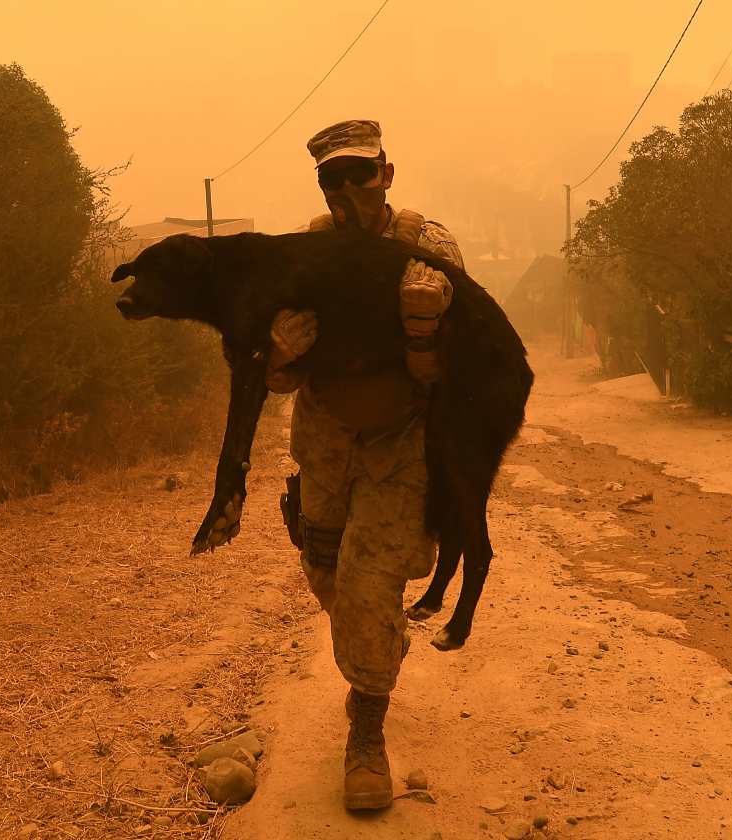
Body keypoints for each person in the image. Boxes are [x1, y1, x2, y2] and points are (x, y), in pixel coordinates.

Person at [266, 119, 462, 811]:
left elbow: (467, 375)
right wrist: (280, 353)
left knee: (371, 584)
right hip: (324, 445)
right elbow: (276, 381)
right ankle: (370, 662)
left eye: (362, 174)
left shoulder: (429, 251)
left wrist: (424, 334)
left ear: (387, 173)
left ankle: (368, 735)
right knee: (329, 577)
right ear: (321, 186)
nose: (349, 190)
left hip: (400, 446)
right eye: (333, 178)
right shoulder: (302, 257)